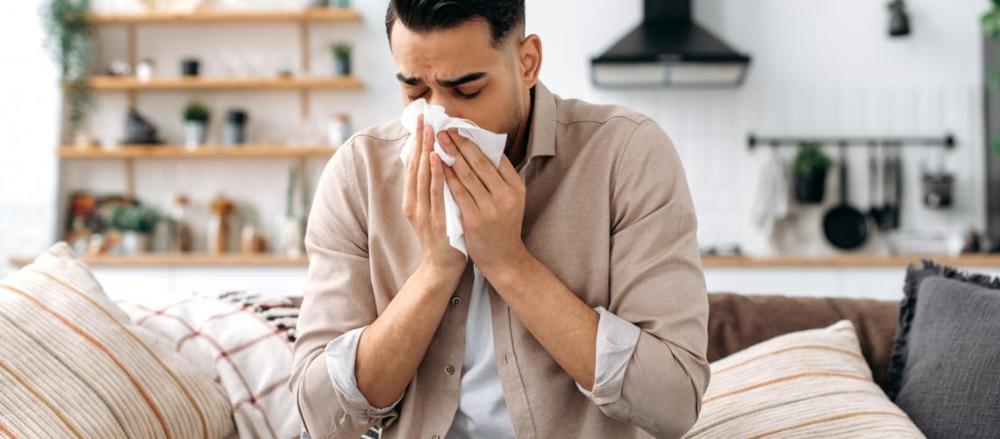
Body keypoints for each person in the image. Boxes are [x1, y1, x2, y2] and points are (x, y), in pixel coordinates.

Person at [290, 1, 710, 438]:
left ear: (527, 63)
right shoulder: (361, 173)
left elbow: (675, 401)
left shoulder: (625, 155)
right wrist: (435, 271)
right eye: (415, 93)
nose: (440, 119)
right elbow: (319, 417)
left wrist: (510, 263)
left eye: (467, 90)